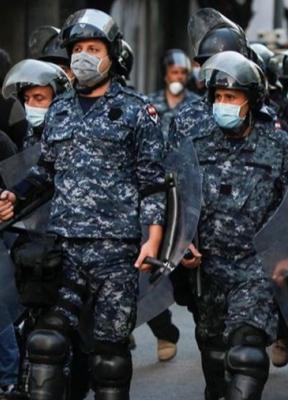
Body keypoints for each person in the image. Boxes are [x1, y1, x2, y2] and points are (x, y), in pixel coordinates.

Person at [0, 9, 165, 398]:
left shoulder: (137, 111)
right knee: (45, 343)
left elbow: (153, 184)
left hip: (116, 254)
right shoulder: (59, 110)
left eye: (93, 49)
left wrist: (153, 240)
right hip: (63, 252)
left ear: (111, 54)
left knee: (109, 356)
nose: (83, 57)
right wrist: (15, 194)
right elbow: (45, 171)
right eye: (77, 49)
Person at [171, 49, 288, 400]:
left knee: (246, 352)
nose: (224, 104)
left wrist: (287, 254)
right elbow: (175, 199)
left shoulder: (277, 145)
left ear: (251, 100)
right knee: (214, 356)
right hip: (208, 270)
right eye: (219, 97)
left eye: (232, 97)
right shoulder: (195, 145)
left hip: (256, 269)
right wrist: (182, 243)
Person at [149, 49, 198, 143]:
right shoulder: (150, 102)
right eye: (174, 72)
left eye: (183, 72)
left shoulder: (196, 104)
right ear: (165, 75)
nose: (179, 77)